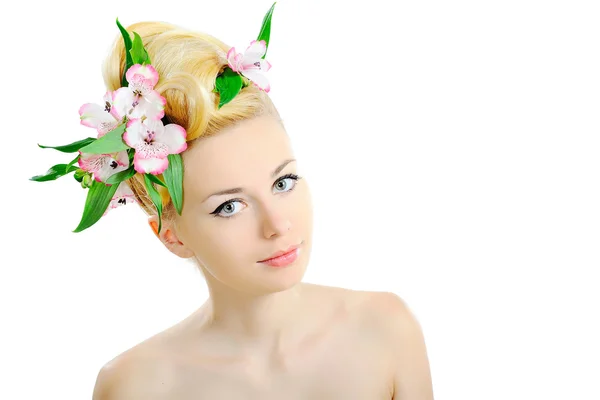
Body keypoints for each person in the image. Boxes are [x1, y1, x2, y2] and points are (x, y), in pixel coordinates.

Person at [32, 4, 433, 399]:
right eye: (229, 206)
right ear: (170, 235)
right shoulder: (133, 386)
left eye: (284, 182)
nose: (276, 225)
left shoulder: (385, 331)